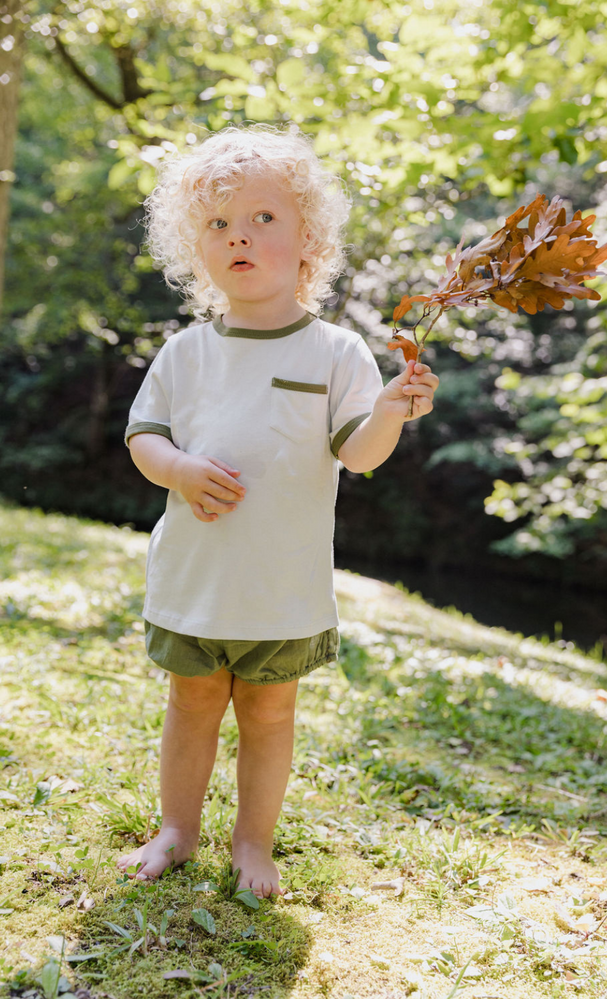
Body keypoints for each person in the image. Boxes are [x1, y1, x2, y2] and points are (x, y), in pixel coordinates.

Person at [119, 123, 439, 897]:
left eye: (262, 218)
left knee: (267, 716)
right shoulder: (186, 351)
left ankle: (252, 845)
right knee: (190, 703)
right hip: (196, 577)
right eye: (219, 224)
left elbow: (359, 453)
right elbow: (142, 437)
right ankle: (176, 830)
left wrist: (391, 411)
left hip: (281, 589)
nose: (240, 237)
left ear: (308, 241)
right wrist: (182, 470)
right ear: (198, 251)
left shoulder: (334, 352)